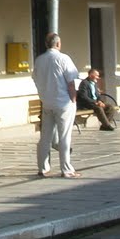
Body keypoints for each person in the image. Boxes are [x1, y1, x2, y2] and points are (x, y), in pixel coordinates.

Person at [33, 32, 81, 178]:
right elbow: (72, 81)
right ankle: (66, 169)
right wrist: (73, 99)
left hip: (46, 102)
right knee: (64, 136)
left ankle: (43, 167)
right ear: (58, 44)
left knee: (45, 137)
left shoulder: (39, 60)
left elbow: (35, 79)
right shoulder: (63, 58)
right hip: (63, 102)